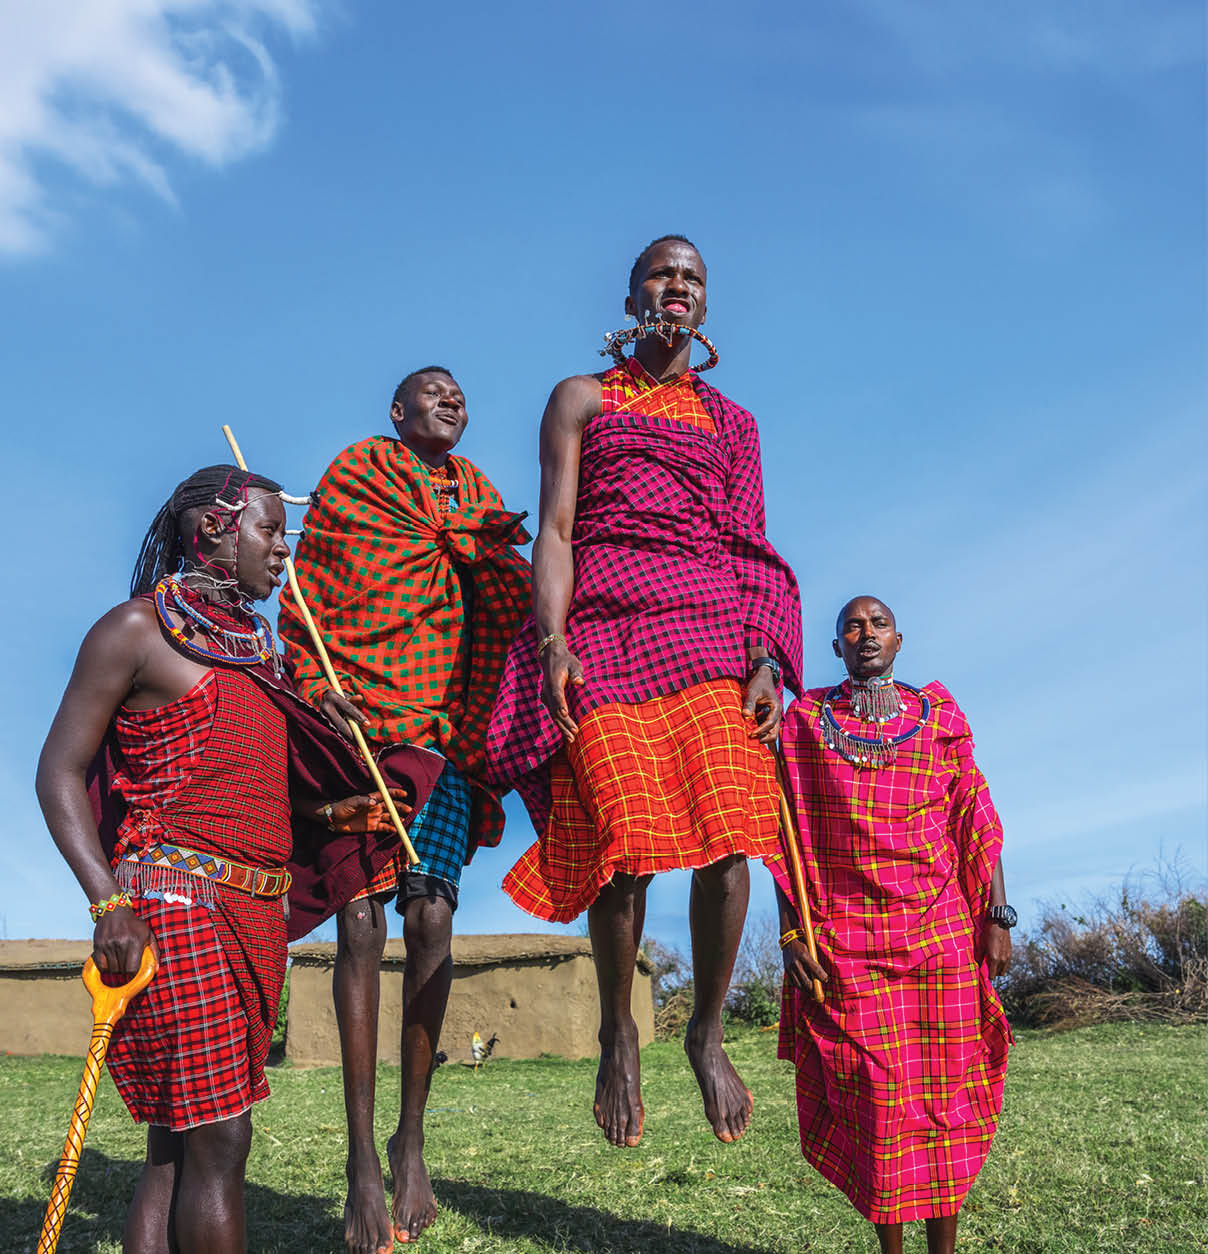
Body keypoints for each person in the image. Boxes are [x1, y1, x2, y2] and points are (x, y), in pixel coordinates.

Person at [35, 466, 430, 1254]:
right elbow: (57, 771)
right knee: (221, 1140)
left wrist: (333, 799)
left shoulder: (260, 655)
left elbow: (247, 786)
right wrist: (107, 903)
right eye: (271, 531)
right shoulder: (136, 631)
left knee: (177, 1149)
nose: (285, 549)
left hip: (253, 914)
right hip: (171, 905)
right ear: (215, 529)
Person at [484, 236, 803, 1149]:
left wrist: (767, 657)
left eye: (693, 277)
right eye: (663, 274)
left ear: (704, 305)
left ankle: (704, 1025)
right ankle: (620, 1023)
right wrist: (550, 642)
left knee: (733, 829)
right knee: (624, 840)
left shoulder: (731, 421)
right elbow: (553, 529)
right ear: (633, 296)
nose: (678, 286)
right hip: (607, 630)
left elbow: (751, 545)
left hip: (709, 632)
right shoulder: (581, 397)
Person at [280, 368, 530, 1251]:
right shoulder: (355, 479)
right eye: (433, 391)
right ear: (396, 411)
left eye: (462, 392)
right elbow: (304, 605)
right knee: (358, 927)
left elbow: (509, 603)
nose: (453, 400)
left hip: (443, 731)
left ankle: (409, 1139)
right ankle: (358, 1163)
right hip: (357, 726)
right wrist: (319, 686)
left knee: (430, 920)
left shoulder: (481, 497)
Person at [771, 595, 1013, 1254]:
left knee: (943, 1107)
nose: (866, 633)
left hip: (940, 940)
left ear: (899, 641)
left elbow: (976, 819)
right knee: (878, 1107)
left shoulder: (941, 717)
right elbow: (780, 831)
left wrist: (996, 913)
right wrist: (793, 932)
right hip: (847, 942)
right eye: (853, 625)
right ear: (836, 648)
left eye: (878, 624)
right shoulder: (805, 724)